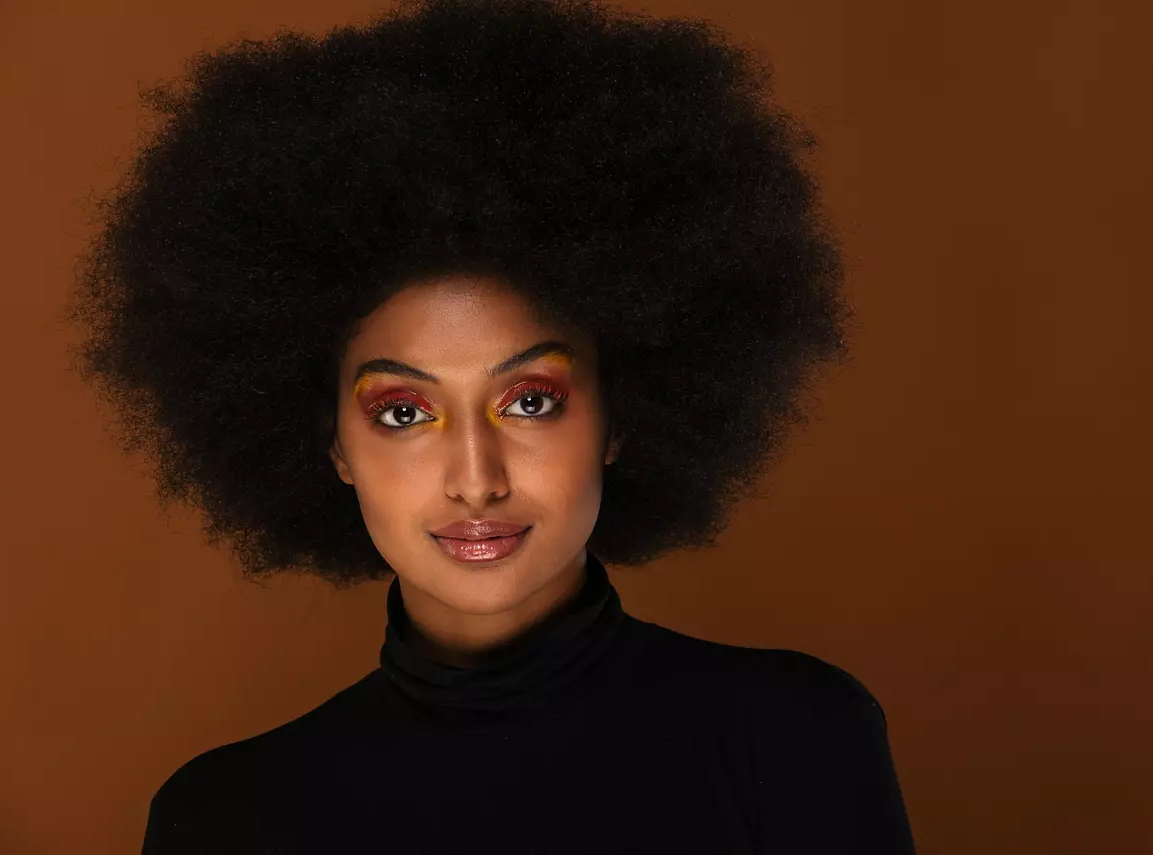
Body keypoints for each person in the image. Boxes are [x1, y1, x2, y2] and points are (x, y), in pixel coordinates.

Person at [64, 0, 915, 851]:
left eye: (531, 401)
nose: (476, 475)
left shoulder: (794, 738)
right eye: (403, 412)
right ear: (332, 446)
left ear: (621, 416)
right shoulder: (223, 818)